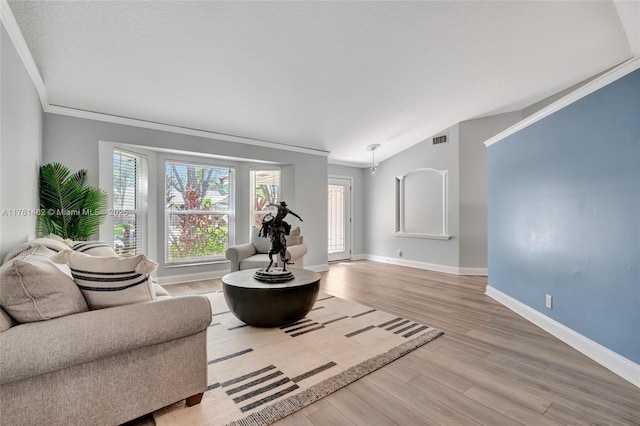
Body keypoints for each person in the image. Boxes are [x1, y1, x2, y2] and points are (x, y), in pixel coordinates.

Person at [262, 201, 303, 272]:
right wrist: (299, 217)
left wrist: (269, 205)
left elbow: (274, 205)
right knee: (276, 229)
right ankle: (274, 238)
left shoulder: (281, 207)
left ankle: (281, 247)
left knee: (283, 231)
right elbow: (294, 214)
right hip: (277, 223)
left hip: (278, 223)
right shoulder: (286, 210)